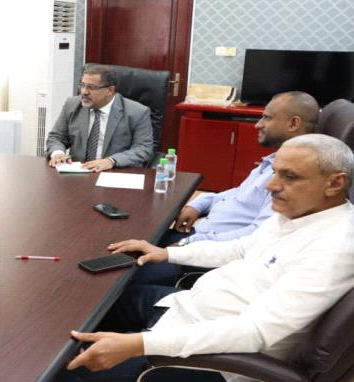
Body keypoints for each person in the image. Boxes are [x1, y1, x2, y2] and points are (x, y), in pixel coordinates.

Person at [62, 133, 354, 382]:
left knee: (66, 370)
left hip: (213, 357)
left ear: (335, 184)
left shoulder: (334, 248)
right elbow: (240, 248)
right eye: (275, 172)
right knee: (99, 304)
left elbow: (255, 332)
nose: (271, 185)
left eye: (289, 177)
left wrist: (138, 344)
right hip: (187, 308)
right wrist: (167, 253)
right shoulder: (300, 212)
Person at [133, 91, 319, 286]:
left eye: (267, 117)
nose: (258, 124)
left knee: (128, 278)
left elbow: (255, 235)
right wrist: (199, 204)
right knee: (133, 243)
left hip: (207, 254)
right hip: (197, 237)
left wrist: (187, 243)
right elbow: (239, 193)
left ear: (293, 124)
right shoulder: (274, 160)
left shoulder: (289, 177)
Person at [46, 64, 153, 172]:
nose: (84, 92)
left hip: (114, 173)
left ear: (110, 90)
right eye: (82, 85)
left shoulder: (137, 112)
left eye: (91, 87)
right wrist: (58, 153)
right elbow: (56, 137)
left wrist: (111, 161)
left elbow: (143, 149)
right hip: (78, 172)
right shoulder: (72, 104)